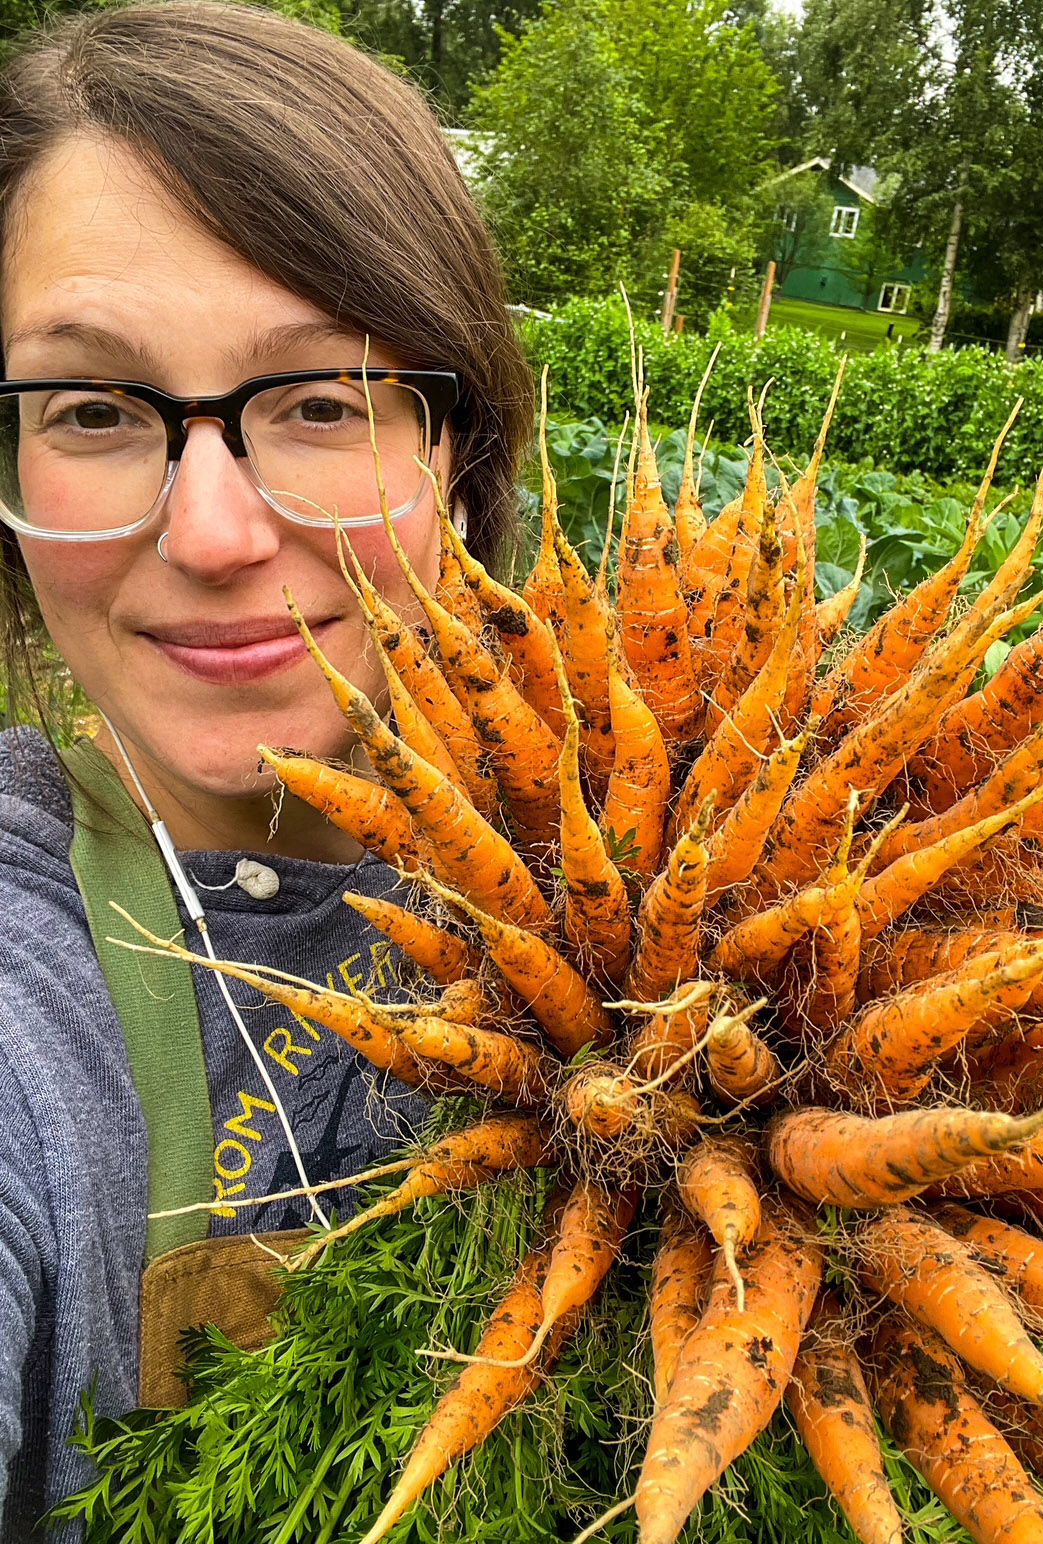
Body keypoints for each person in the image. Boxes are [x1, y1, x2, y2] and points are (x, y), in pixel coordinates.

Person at [0, 3, 533, 1534]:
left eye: (318, 402)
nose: (215, 534)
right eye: (93, 411)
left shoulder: (679, 851)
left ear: (456, 449)